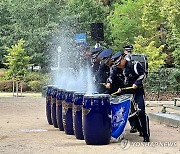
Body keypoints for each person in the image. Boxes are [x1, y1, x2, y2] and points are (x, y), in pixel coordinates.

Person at [113, 53, 150, 142]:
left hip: (137, 92)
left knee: (141, 111)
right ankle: (139, 129)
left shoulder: (134, 65)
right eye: (116, 64)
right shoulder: (117, 69)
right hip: (126, 93)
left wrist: (137, 83)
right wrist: (118, 89)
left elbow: (143, 75)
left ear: (123, 59)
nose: (118, 66)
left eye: (119, 63)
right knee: (130, 114)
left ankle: (146, 135)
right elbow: (116, 80)